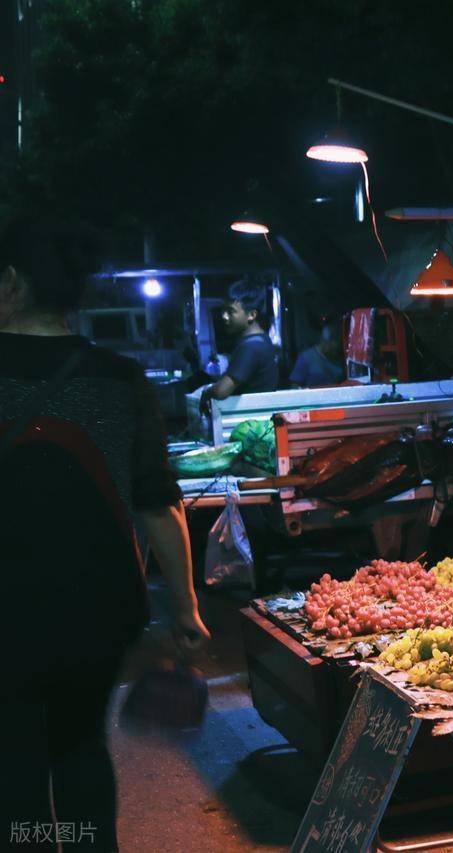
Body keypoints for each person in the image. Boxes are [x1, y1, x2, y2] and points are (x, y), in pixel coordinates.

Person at [0, 213, 211, 850]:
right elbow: (159, 505)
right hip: (99, 608)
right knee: (81, 744)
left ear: (9, 282)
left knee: (14, 763)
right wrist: (186, 611)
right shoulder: (121, 380)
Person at [200, 279, 280, 410]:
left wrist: (206, 392)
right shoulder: (261, 339)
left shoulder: (251, 347)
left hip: (250, 422)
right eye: (223, 310)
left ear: (252, 315)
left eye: (230, 312)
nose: (224, 316)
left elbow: (221, 391)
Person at [289, 319, 345, 388]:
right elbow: (294, 385)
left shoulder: (341, 358)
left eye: (337, 349)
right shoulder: (305, 357)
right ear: (324, 341)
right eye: (333, 348)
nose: (335, 352)